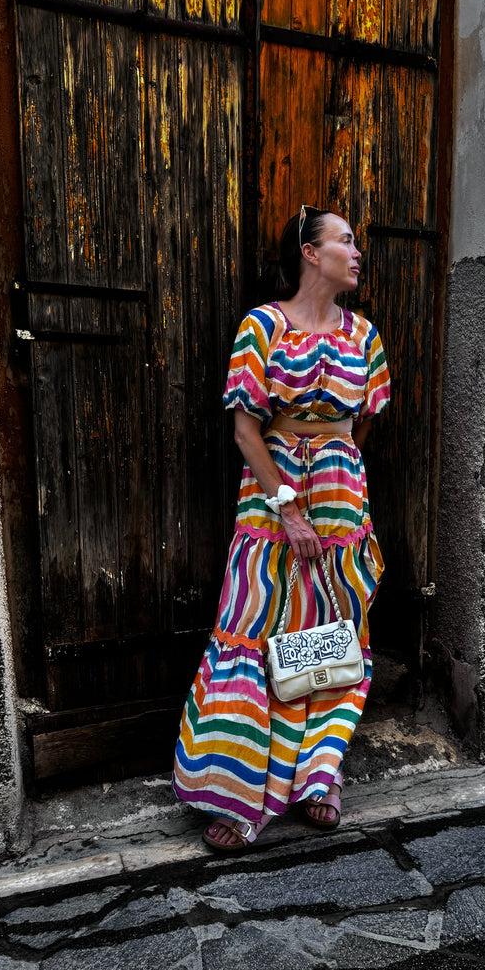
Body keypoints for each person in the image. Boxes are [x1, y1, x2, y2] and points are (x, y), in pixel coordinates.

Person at [172, 205, 390, 852]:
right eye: (344, 240)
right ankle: (240, 795)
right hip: (270, 501)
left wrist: (332, 468)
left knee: (329, 638)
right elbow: (246, 429)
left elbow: (360, 425)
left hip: (342, 497)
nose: (355, 252)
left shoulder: (365, 337)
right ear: (309, 252)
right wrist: (289, 506)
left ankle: (319, 775)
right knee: (255, 626)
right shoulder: (262, 327)